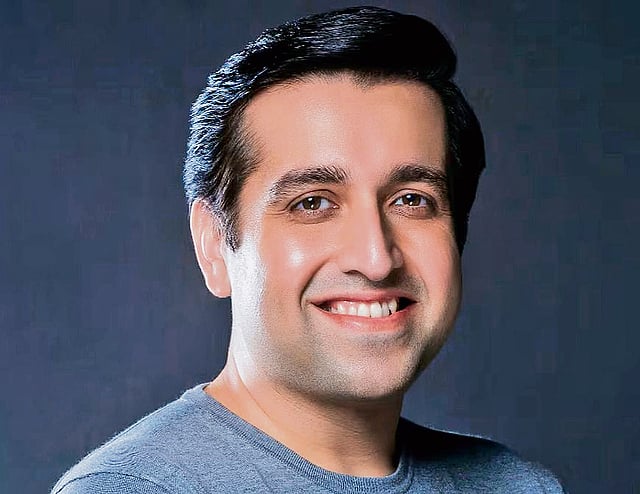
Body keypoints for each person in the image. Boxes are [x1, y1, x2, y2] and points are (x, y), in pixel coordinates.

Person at [52, 6, 564, 493]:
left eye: (411, 200)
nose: (376, 258)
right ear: (214, 245)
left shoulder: (516, 486)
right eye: (313, 203)